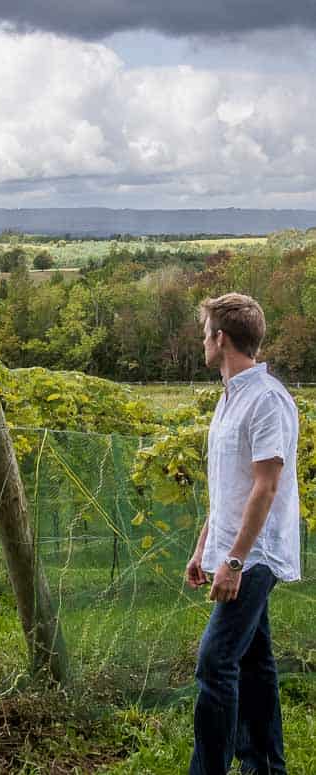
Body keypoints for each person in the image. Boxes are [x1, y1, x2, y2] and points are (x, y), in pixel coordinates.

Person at [186, 292, 300, 775]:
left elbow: (265, 486)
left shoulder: (267, 399)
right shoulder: (229, 398)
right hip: (232, 550)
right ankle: (266, 766)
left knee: (215, 663)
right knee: (254, 665)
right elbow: (227, 486)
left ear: (222, 338)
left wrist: (232, 561)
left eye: (205, 332)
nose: (202, 341)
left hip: (254, 557)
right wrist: (203, 548)